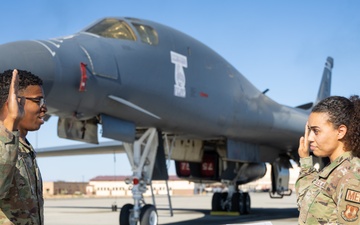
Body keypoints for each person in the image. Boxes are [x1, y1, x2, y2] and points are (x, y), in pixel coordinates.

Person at [296, 95, 360, 224]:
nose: (309, 138)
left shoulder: (350, 177)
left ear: (340, 132)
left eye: (316, 131)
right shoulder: (333, 171)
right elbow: (305, 203)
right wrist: (305, 161)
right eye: (309, 130)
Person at [0, 69, 47, 225]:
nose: (44, 108)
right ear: (13, 102)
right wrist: (10, 123)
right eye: (38, 101)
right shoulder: (4, 143)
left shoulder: (23, 147)